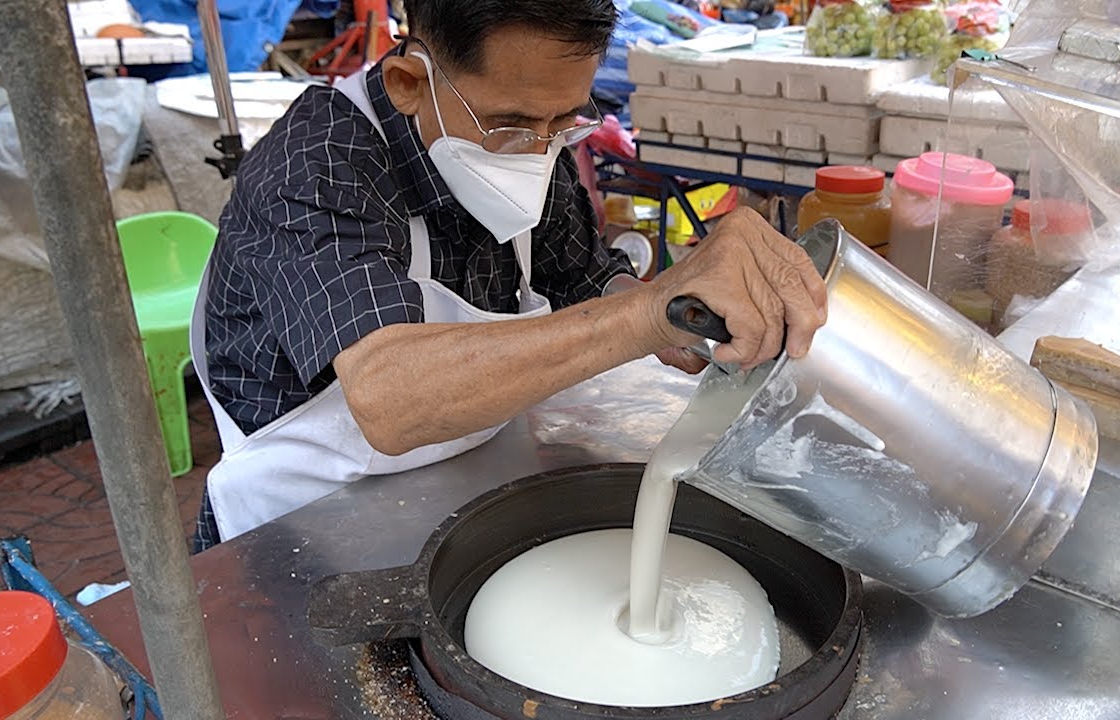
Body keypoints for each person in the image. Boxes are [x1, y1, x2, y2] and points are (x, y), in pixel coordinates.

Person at [189, 0, 827, 551]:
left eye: (565, 120)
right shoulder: (316, 163)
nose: (544, 146)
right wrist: (647, 311)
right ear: (411, 82)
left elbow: (584, 277)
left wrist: (679, 319)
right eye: (514, 125)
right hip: (299, 530)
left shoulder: (535, 140)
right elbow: (389, 398)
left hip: (454, 491)